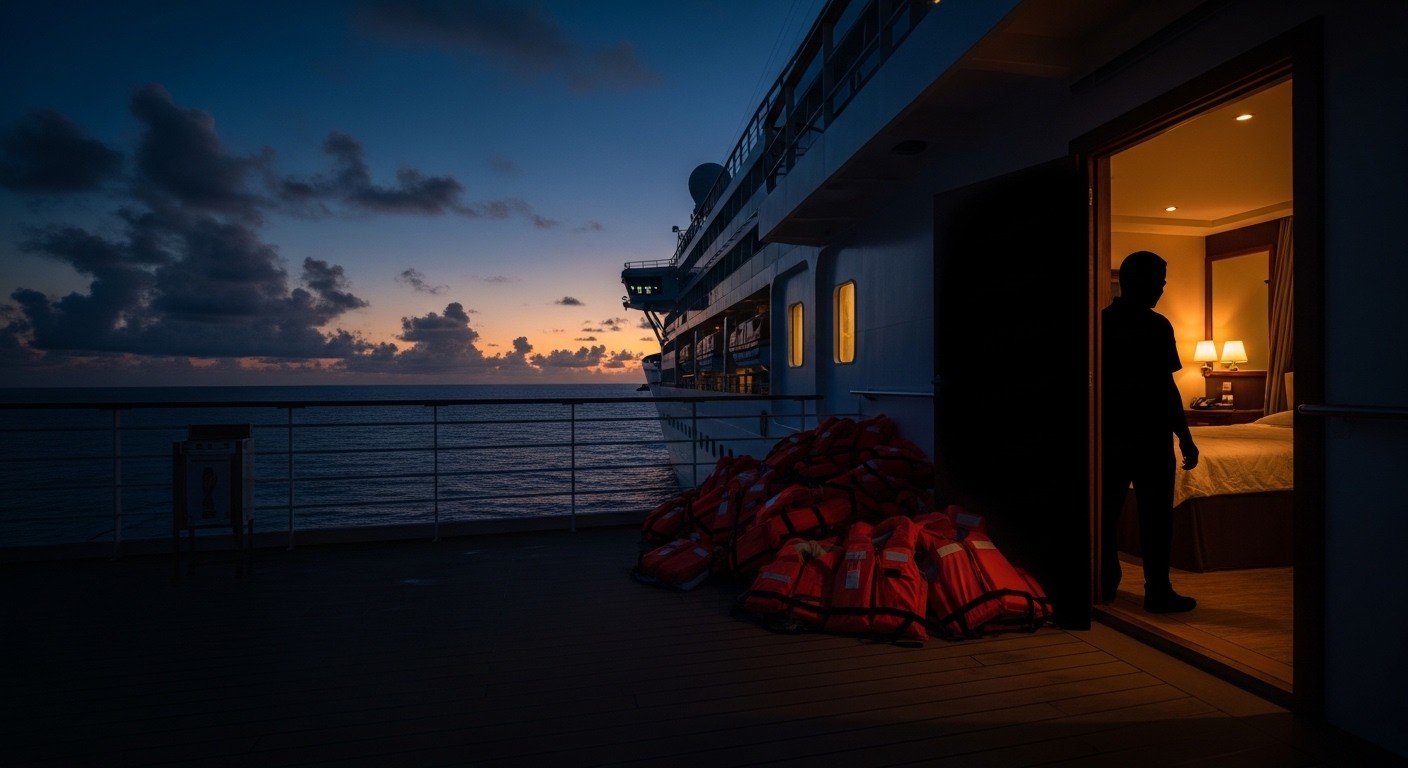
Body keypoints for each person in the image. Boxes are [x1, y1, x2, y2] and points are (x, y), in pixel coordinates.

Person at [1101, 250, 1199, 613]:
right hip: (1149, 434)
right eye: (1158, 280)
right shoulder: (1157, 326)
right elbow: (1166, 388)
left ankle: (1105, 581)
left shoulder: (1102, 323)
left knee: (1107, 513)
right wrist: (1183, 437)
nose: (1162, 287)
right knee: (1155, 518)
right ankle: (1156, 590)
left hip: (1111, 434)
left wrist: (1185, 437)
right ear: (1136, 281)